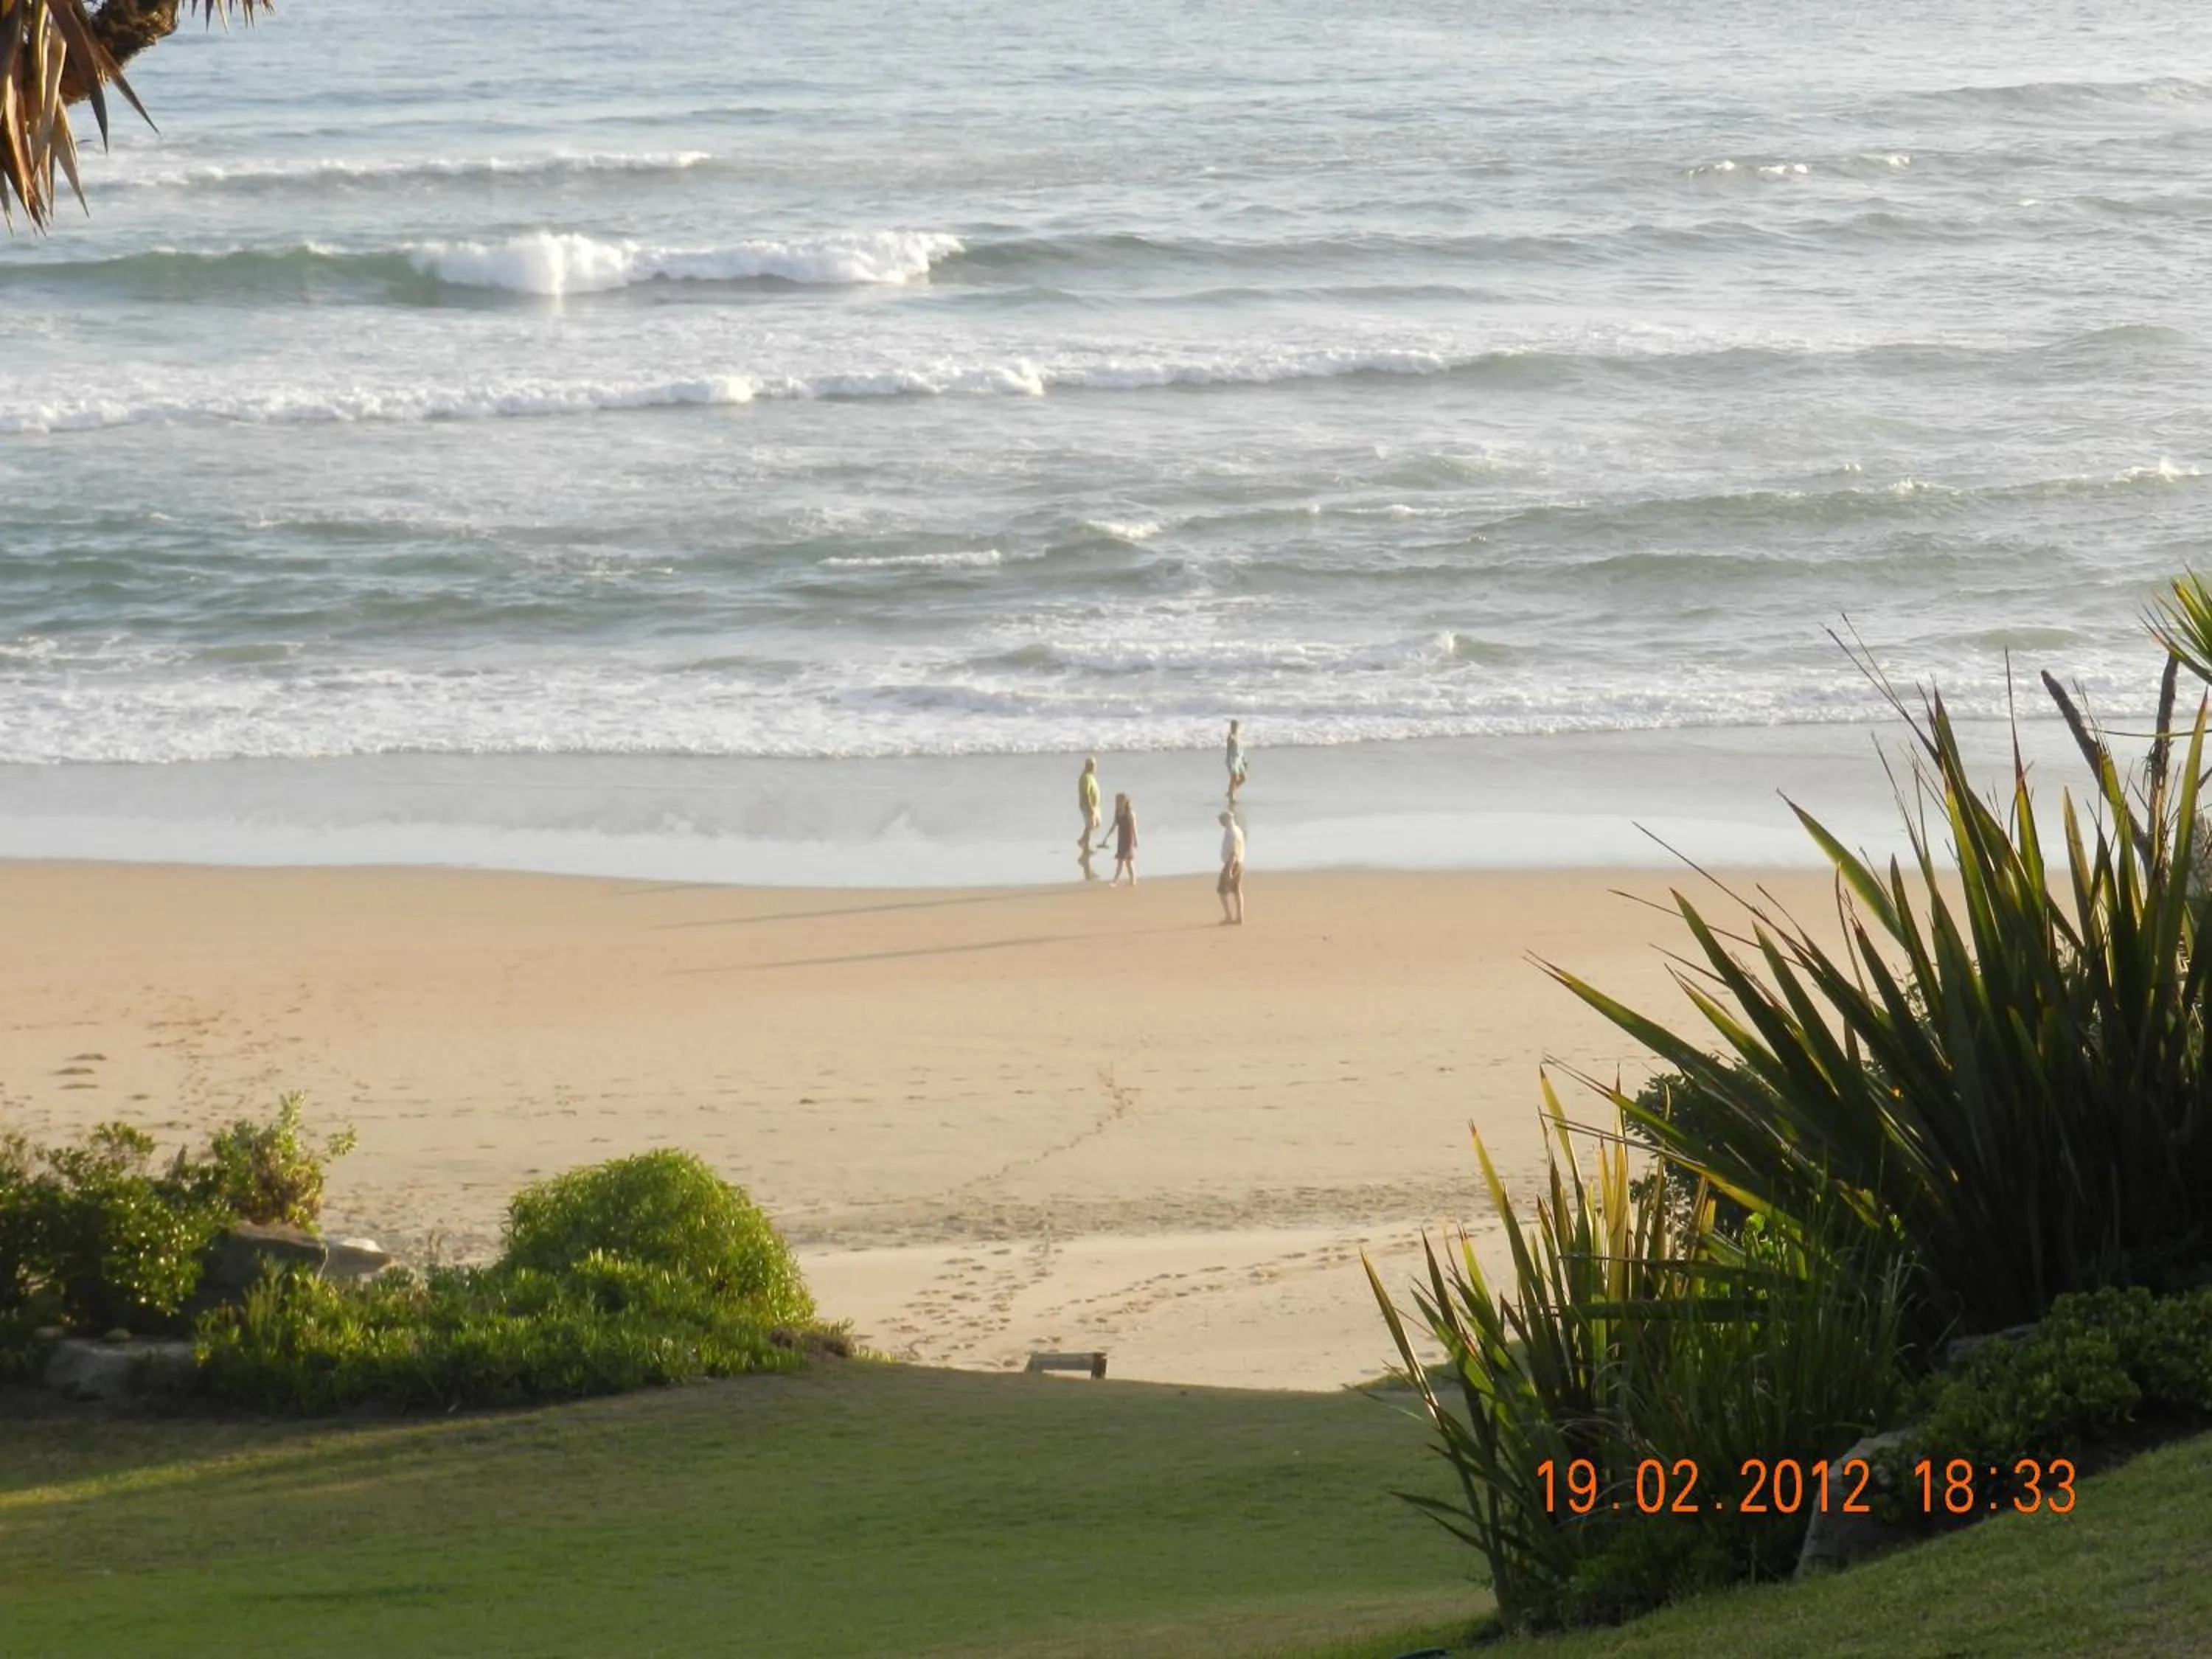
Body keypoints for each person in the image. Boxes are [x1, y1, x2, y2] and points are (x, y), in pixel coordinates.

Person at [1217, 810, 1245, 925]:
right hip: (1240, 862)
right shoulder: (1238, 830)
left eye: (1221, 819)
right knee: (1236, 890)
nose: (1220, 821)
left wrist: (1229, 870)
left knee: (1222, 890)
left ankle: (1229, 916)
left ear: (1227, 820)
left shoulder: (1230, 832)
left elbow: (1233, 852)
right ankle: (1239, 917)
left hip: (1231, 863)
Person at [1110, 793, 1138, 885]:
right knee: (1121, 861)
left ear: (1125, 802)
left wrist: (1136, 840)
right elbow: (1114, 825)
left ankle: (1131, 879)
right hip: (1121, 839)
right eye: (1116, 801)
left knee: (1128, 862)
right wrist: (1107, 837)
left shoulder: (1130, 813)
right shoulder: (1117, 812)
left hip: (1128, 839)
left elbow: (1134, 827)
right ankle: (1116, 880)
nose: (1117, 803)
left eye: (1119, 801)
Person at [1077, 756, 1102, 855]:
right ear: (1088, 766)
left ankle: (1082, 840)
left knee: (1097, 823)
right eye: (1093, 765)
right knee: (1090, 825)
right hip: (1088, 805)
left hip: (1095, 805)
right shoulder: (1085, 777)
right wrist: (1090, 807)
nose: (1095, 767)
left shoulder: (1090, 775)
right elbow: (1085, 794)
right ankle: (1086, 846)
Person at [1225, 720, 1248, 803]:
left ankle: (1230, 791)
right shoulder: (1231, 737)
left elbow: (1241, 750)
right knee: (1234, 778)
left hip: (1240, 760)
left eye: (1236, 726)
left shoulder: (1239, 737)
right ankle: (1232, 798)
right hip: (1233, 760)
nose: (1235, 728)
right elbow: (1228, 750)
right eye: (1233, 726)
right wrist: (1229, 760)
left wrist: (1244, 760)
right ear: (1231, 727)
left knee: (1244, 778)